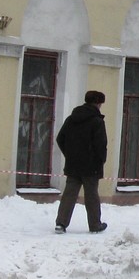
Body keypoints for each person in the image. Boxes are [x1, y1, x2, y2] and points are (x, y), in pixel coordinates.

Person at [54, 90, 108, 234]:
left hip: (73, 164)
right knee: (91, 195)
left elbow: (60, 138)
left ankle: (61, 223)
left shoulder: (71, 119)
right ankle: (95, 224)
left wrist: (70, 155)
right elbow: (101, 144)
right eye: (101, 103)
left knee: (69, 194)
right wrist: (101, 160)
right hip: (91, 166)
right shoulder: (97, 121)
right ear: (97, 103)